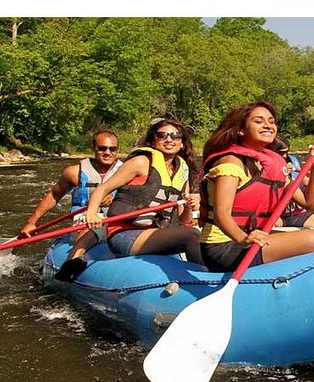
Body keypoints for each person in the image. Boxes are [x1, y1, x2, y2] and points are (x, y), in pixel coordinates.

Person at [56, 118, 202, 281]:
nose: (169, 139)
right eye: (162, 135)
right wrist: (92, 213)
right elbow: (103, 188)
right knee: (192, 235)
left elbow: (184, 220)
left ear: (182, 143)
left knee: (193, 233)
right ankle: (205, 278)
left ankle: (204, 276)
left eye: (175, 135)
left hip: (156, 233)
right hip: (125, 234)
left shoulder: (182, 171)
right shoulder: (141, 162)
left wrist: (190, 205)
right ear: (153, 141)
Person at [198, 101, 314, 272]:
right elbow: (221, 214)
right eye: (259, 121)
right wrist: (243, 238)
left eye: (271, 121)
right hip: (224, 245)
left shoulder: (273, 164)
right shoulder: (231, 163)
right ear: (241, 130)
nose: (268, 126)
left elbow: (309, 203)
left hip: (253, 237)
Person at [18, 131, 124, 281]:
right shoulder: (74, 172)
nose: (107, 152)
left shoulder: (128, 172)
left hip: (115, 220)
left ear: (117, 150)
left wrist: (115, 199)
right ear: (94, 148)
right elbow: (54, 195)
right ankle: (73, 261)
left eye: (112, 149)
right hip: (85, 220)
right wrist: (31, 222)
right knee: (94, 228)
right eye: (102, 148)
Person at [267, 134, 314, 230]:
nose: (285, 156)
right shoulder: (261, 166)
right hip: (274, 217)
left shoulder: (291, 161)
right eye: (281, 153)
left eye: (286, 152)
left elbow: (306, 183)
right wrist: (282, 173)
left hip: (296, 214)